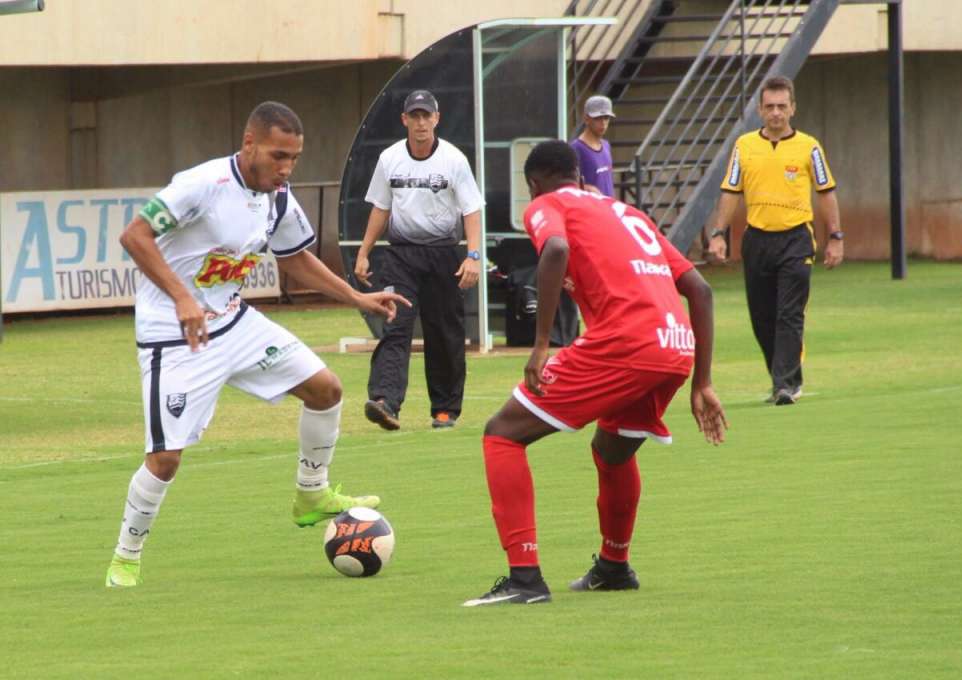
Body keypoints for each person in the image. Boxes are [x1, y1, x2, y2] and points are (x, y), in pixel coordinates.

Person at [105, 101, 409, 588]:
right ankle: (126, 556)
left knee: (326, 389)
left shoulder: (278, 198)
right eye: (277, 155)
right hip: (175, 335)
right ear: (249, 144)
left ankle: (311, 494)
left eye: (294, 158)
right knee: (166, 458)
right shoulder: (202, 185)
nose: (286, 168)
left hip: (234, 322)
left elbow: (296, 259)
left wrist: (357, 296)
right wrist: (183, 298)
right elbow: (135, 235)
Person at [462, 140, 727, 607]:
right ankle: (614, 567)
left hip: (625, 342)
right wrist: (703, 382)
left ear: (532, 185)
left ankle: (524, 579)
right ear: (581, 177)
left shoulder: (548, 204)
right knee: (613, 450)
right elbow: (701, 290)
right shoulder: (626, 213)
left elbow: (556, 248)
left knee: (502, 433)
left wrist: (541, 344)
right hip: (675, 348)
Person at [706, 76, 843, 406]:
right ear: (760, 110)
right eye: (770, 107)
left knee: (789, 313)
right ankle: (781, 376)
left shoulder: (809, 146)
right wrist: (718, 234)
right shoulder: (745, 146)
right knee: (762, 316)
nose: (776, 113)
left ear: (793, 108)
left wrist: (835, 237)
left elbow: (826, 193)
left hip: (796, 238)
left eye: (782, 106)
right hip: (757, 241)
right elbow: (730, 191)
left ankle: (785, 384)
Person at [355, 89, 484, 431]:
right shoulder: (390, 158)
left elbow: (472, 209)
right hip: (401, 254)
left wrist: (472, 255)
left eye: (427, 116)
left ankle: (444, 409)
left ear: (436, 119)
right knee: (395, 324)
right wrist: (364, 251)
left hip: (445, 254)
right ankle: (385, 401)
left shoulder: (454, 160)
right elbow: (381, 207)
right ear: (405, 120)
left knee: (444, 331)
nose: (421, 123)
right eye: (415, 116)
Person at [570, 95, 616, 197]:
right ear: (586, 119)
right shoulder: (576, 149)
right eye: (598, 118)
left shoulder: (606, 145)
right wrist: (588, 189)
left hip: (608, 208)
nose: (603, 123)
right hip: (589, 209)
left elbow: (608, 182)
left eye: (606, 118)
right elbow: (568, 187)